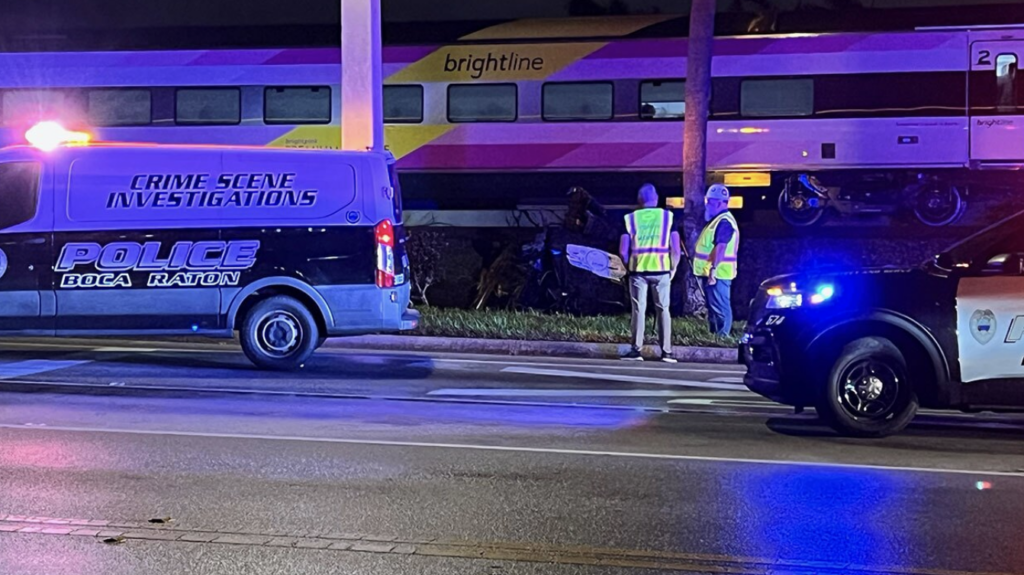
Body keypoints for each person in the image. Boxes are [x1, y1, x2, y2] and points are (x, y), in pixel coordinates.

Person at [619, 183, 682, 362]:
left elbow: (623, 251)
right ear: (656, 198)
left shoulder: (629, 219)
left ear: (639, 200)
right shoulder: (668, 218)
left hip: (637, 272)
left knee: (638, 310)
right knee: (664, 310)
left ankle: (636, 350)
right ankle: (667, 352)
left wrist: (628, 266)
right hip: (662, 271)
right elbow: (675, 249)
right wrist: (673, 268)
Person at [693, 184, 740, 338]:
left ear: (720, 203)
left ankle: (723, 336)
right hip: (715, 272)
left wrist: (713, 270)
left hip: (718, 273)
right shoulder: (719, 220)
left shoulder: (724, 222)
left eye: (710, 202)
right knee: (714, 307)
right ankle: (716, 335)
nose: (707, 205)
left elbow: (721, 248)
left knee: (720, 307)